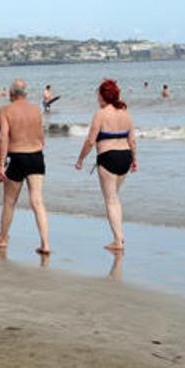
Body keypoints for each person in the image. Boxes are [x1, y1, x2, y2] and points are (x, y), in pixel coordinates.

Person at [75, 79, 137, 251]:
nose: (97, 99)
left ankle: (118, 241)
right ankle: (119, 237)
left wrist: (80, 159)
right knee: (115, 198)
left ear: (103, 96)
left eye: (98, 95)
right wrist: (135, 160)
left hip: (108, 157)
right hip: (125, 157)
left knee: (111, 200)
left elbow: (90, 141)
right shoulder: (125, 112)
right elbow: (132, 140)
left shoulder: (100, 114)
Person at [0, 79, 50, 255]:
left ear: (11, 94)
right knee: (37, 201)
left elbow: (4, 138)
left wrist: (1, 164)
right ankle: (45, 243)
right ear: (25, 93)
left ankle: (2, 238)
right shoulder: (36, 109)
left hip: (16, 157)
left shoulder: (5, 110)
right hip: (36, 156)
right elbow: (41, 136)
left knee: (9, 201)